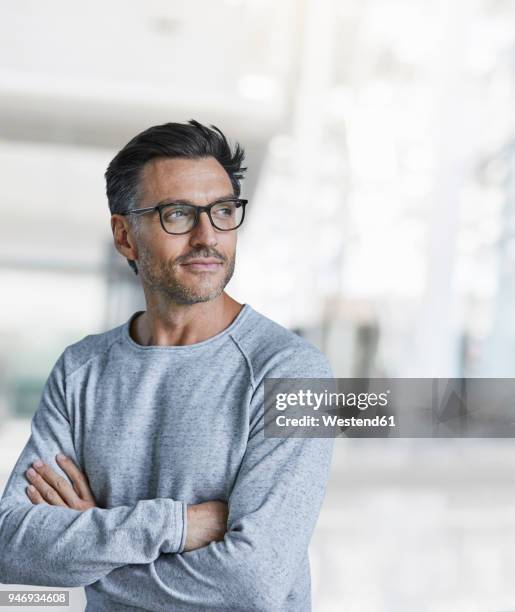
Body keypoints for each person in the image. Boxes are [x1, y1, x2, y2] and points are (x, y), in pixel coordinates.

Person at [0, 119, 335, 611]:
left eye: (223, 211)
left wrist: (92, 551)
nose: (207, 236)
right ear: (125, 236)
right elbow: (12, 543)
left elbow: (253, 581)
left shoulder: (292, 372)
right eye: (177, 214)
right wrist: (179, 525)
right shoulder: (81, 370)